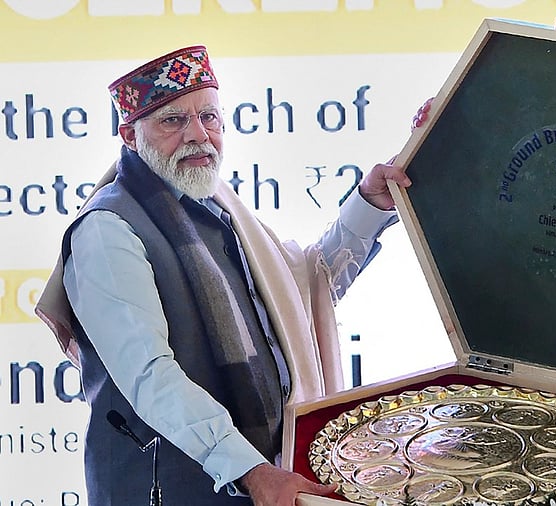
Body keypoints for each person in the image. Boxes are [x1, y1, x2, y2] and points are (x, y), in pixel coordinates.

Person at [35, 46, 417, 505]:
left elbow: (302, 298)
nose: (198, 135)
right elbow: (151, 377)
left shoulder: (220, 206)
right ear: (130, 136)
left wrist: (371, 204)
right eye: (173, 121)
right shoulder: (106, 230)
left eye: (209, 118)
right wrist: (252, 469)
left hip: (265, 480)